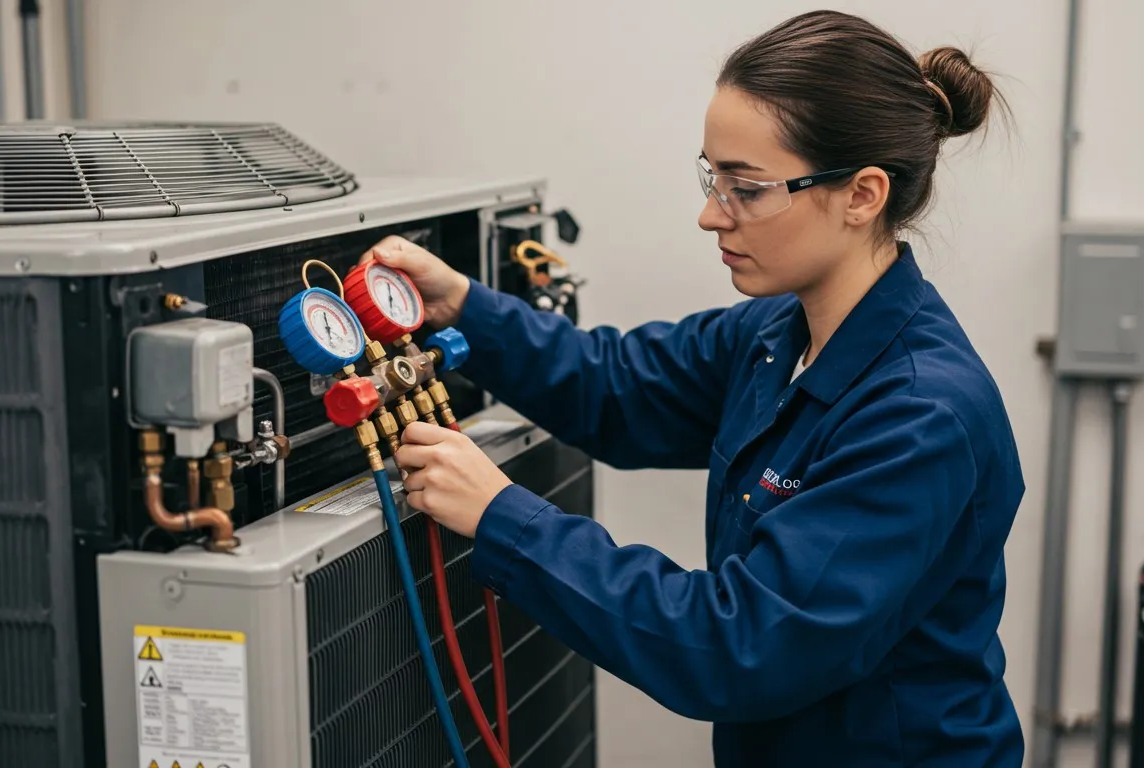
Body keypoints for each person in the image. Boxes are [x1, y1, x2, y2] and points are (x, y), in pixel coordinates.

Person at [376, 10, 1024, 766]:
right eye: (712, 178)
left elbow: (742, 646)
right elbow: (615, 388)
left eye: (747, 189)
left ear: (862, 195)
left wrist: (504, 518)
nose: (711, 214)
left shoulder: (919, 416)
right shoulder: (776, 336)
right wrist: (465, 308)